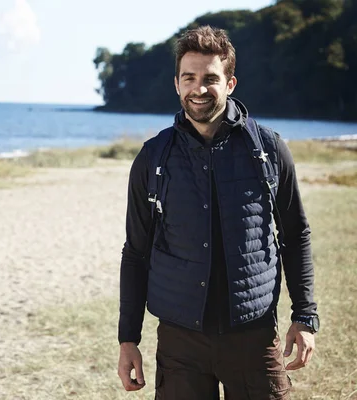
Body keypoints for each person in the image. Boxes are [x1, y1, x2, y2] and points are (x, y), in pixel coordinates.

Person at [117, 25, 319, 399]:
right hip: (180, 343)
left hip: (254, 336)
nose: (199, 88)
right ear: (177, 83)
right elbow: (136, 252)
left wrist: (305, 316)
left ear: (230, 83)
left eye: (211, 78)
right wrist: (128, 338)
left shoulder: (270, 150)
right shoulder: (152, 158)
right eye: (189, 77)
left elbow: (296, 235)